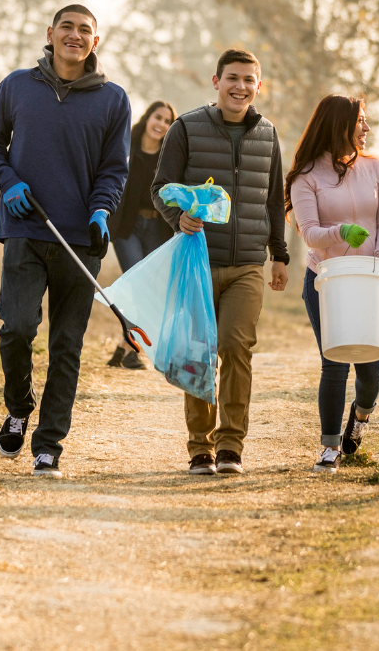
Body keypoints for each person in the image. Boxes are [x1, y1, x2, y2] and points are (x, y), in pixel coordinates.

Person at [0, 5, 131, 478]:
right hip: (25, 229)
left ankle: (49, 445)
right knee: (18, 328)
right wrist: (7, 181)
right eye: (67, 26)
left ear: (95, 42)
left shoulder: (113, 99)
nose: (75, 35)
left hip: (81, 239)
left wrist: (102, 209)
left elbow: (114, 168)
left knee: (67, 345)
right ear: (50, 33)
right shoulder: (17, 86)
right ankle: (18, 407)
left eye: (85, 30)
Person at [152, 49, 290, 476]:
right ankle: (200, 448)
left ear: (258, 86)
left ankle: (231, 446)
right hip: (197, 261)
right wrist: (179, 217)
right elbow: (160, 188)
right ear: (216, 81)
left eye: (249, 80)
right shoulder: (186, 129)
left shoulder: (267, 134)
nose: (240, 86)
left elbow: (272, 199)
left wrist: (278, 255)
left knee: (235, 347)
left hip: (248, 264)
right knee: (199, 353)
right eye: (232, 78)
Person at [287, 95, 379, 473]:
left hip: (370, 279)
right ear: (339, 125)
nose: (366, 129)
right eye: (360, 121)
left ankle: (361, 417)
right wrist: (341, 232)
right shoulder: (306, 177)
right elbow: (311, 233)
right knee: (334, 363)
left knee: (371, 369)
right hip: (326, 281)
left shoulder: (376, 169)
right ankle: (329, 447)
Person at [105, 100, 178, 371]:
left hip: (158, 230)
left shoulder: (169, 155)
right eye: (157, 118)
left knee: (152, 290)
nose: (161, 124)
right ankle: (133, 351)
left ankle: (125, 347)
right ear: (147, 118)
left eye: (167, 121)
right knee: (138, 287)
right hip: (127, 229)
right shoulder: (126, 147)